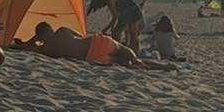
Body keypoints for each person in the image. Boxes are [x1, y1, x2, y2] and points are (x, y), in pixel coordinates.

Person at [25, 19, 168, 69]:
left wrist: (33, 40)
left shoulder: (47, 50)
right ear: (50, 28)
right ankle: (163, 67)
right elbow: (80, 35)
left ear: (40, 36)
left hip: (92, 57)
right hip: (95, 42)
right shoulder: (62, 30)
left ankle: (146, 67)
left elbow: (28, 48)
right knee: (129, 55)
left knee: (127, 64)